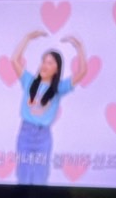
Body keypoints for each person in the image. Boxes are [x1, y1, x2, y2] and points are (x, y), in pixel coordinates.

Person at [9, 30, 88, 184]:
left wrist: (79, 48)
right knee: (23, 175)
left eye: (50, 63)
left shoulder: (59, 88)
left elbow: (82, 72)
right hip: (25, 133)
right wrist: (27, 38)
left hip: (43, 136)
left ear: (57, 69)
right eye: (44, 61)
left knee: (40, 176)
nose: (45, 65)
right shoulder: (29, 81)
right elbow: (14, 60)